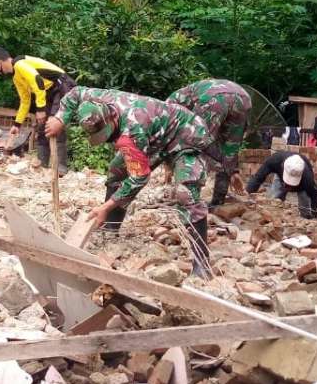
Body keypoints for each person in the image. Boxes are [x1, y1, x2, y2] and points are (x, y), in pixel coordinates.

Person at [44, 86, 214, 276]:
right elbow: (74, 93)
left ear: (113, 118)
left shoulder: (132, 132)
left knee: (185, 193)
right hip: (157, 135)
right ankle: (111, 228)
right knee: (117, 171)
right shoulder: (96, 99)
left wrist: (105, 207)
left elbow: (139, 177)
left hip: (189, 136)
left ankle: (202, 264)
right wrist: (60, 118)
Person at [0, 48, 75, 174]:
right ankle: (41, 165)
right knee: (42, 128)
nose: (0, 72)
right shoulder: (16, 77)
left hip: (62, 85)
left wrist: (40, 109)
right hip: (47, 92)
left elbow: (38, 81)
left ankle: (60, 168)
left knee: (55, 124)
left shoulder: (20, 64)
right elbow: (25, 101)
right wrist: (17, 124)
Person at [167, 79, 252, 207]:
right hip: (244, 98)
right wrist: (232, 169)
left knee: (196, 144)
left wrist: (168, 164)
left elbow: (171, 136)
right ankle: (218, 201)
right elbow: (229, 144)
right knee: (230, 148)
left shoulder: (169, 104)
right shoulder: (192, 92)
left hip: (214, 99)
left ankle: (190, 199)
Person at [244, 151, 317, 219]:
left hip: (302, 184)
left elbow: (316, 196)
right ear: (282, 166)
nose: (289, 185)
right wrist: (247, 194)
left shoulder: (307, 178)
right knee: (275, 201)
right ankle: (274, 217)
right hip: (280, 174)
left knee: (305, 208)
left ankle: (306, 217)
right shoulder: (275, 160)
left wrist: (315, 215)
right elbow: (258, 177)